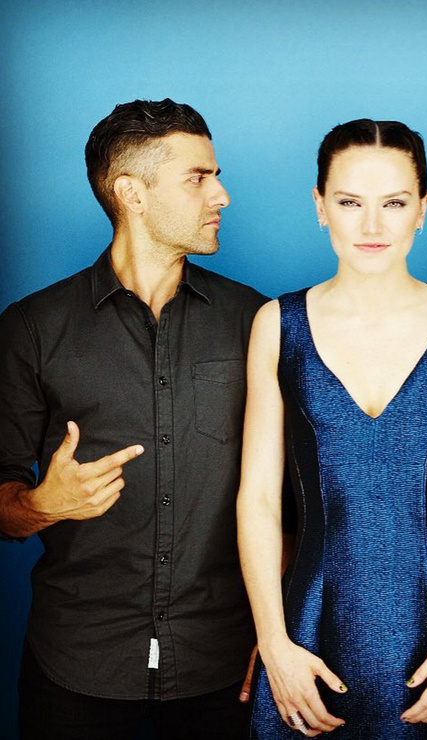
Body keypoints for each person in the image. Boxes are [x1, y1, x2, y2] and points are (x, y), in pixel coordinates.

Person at [237, 119, 427, 739]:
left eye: (393, 203)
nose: (372, 226)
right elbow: (257, 500)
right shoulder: (277, 326)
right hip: (310, 629)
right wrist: (274, 642)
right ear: (320, 207)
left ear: (423, 209)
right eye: (349, 203)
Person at [0, 98, 267, 738]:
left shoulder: (256, 321)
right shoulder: (32, 328)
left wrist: (280, 631)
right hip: (77, 665)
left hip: (223, 664)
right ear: (132, 193)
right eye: (198, 178)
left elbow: (291, 493)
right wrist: (42, 504)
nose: (222, 195)